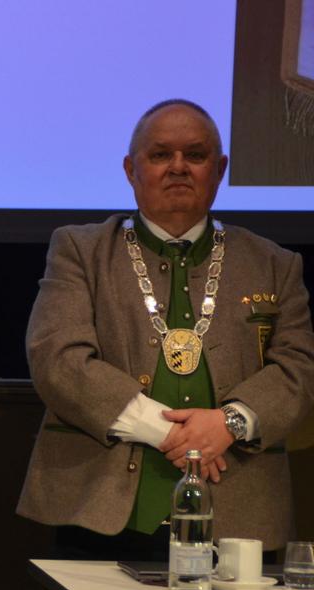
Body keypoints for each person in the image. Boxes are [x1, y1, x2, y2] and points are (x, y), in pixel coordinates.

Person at [18, 99, 314, 562]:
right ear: (130, 170)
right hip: (99, 511)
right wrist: (170, 434)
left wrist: (229, 423)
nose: (178, 167)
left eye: (195, 155)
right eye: (160, 155)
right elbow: (58, 359)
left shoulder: (274, 263)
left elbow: (299, 369)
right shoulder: (80, 249)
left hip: (242, 516)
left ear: (219, 170)